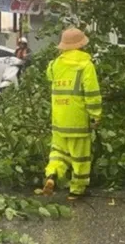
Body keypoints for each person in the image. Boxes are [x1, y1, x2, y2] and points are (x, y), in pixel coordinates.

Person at [41, 28, 103, 200]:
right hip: (78, 120)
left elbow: (49, 77)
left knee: (58, 152)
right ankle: (77, 190)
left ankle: (52, 174)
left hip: (59, 120)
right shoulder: (86, 66)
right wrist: (95, 115)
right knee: (80, 157)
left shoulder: (54, 65)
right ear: (81, 46)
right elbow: (92, 93)